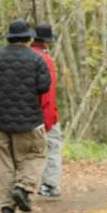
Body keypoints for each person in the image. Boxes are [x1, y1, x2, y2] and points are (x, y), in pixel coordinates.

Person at [0, 19, 51, 213]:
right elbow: (44, 87)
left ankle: (6, 205)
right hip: (30, 121)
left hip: (1, 121)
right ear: (28, 37)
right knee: (36, 155)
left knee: (5, 161)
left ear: (10, 38)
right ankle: (23, 187)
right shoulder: (37, 60)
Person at [31, 23, 62, 198]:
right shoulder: (45, 60)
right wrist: (50, 119)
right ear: (46, 42)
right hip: (43, 112)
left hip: (25, 113)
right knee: (52, 147)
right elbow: (48, 93)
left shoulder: (26, 55)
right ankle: (49, 184)